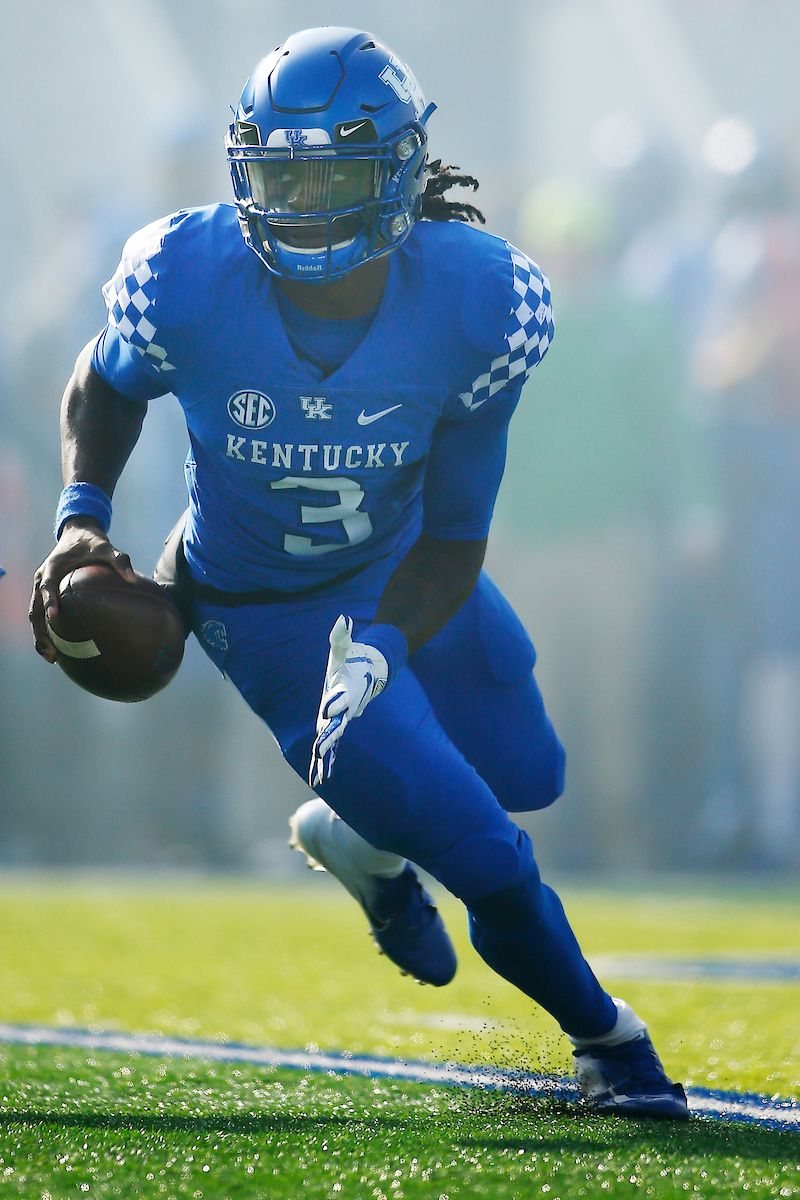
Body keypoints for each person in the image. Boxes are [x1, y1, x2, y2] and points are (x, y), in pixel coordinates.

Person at [29, 27, 688, 1119]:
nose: (301, 203)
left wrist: (381, 646)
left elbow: (455, 534)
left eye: (333, 174)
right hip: (265, 612)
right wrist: (78, 521)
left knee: (530, 771)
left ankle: (357, 838)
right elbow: (105, 383)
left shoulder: (479, 302)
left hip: (405, 572)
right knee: (486, 851)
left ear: (401, 171)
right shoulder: (184, 275)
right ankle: (610, 1045)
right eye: (280, 173)